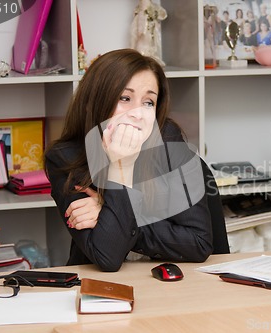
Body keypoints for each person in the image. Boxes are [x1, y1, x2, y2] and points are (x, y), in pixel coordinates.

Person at [44, 49, 215, 272]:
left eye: (148, 102)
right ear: (95, 101)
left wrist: (108, 212)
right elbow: (107, 256)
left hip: (172, 285)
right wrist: (120, 167)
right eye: (125, 98)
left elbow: (199, 243)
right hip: (102, 287)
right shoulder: (64, 158)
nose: (138, 113)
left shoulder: (168, 141)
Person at [131, 0, 167, 66]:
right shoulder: (141, 11)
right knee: (142, 41)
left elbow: (163, 15)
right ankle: (142, 57)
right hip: (144, 21)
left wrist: (154, 16)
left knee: (150, 41)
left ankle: (147, 56)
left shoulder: (153, 7)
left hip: (149, 23)